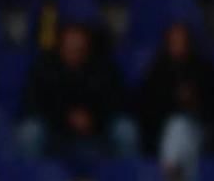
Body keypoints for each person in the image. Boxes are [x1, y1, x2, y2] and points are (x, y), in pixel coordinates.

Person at [19, 21, 137, 170]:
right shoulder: (44, 66)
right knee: (29, 132)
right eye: (69, 46)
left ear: (86, 45)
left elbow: (116, 102)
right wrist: (66, 117)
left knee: (125, 130)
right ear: (61, 44)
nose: (73, 49)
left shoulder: (104, 67)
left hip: (97, 128)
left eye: (78, 47)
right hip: (55, 128)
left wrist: (93, 118)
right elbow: (34, 103)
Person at [134, 21, 214, 181]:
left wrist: (193, 102)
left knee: (183, 128)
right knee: (179, 129)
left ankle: (167, 176)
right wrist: (174, 100)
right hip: (161, 131)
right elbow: (146, 107)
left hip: (202, 127)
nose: (178, 45)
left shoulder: (204, 68)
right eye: (174, 41)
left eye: (182, 41)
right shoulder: (157, 70)